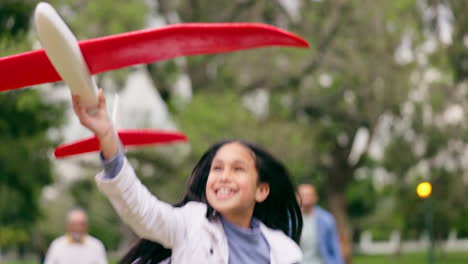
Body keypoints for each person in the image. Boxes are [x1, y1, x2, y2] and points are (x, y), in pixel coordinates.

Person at [71, 89, 303, 264]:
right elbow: (141, 209)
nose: (224, 176)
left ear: (261, 190)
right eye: (217, 168)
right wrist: (108, 140)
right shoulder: (190, 225)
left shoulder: (285, 252)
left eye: (238, 169)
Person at [297, 183, 344, 264]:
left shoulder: (326, 219)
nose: (306, 198)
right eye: (302, 195)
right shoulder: (290, 221)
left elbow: (334, 247)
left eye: (309, 195)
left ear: (315, 197)